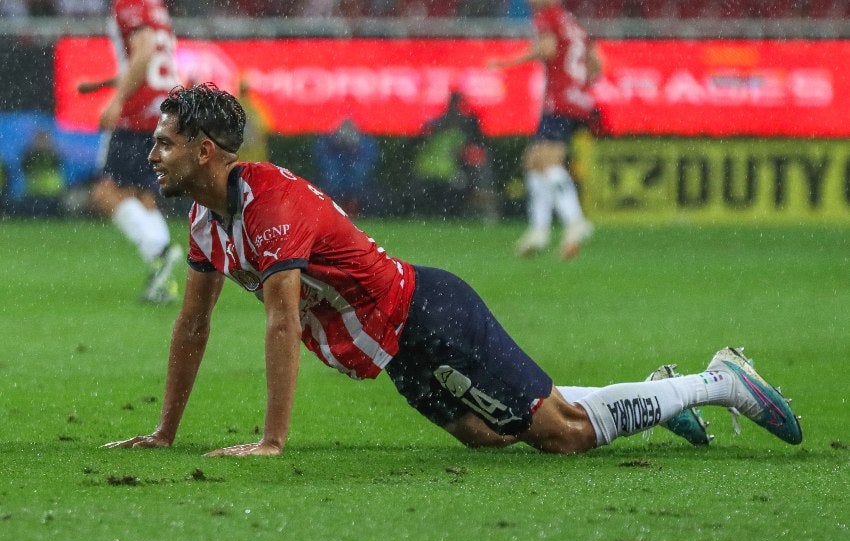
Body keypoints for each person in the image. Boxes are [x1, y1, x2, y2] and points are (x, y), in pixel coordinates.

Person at [104, 84, 802, 457]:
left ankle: (719, 381)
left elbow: (282, 319)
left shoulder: (270, 204)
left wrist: (272, 441)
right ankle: (657, 391)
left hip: (429, 316)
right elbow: (192, 324)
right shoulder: (205, 218)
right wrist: (165, 431)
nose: (152, 153)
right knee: (490, 434)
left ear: (203, 150)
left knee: (561, 435)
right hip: (398, 347)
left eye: (164, 142)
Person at [78, 0, 182, 303]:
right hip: (163, 111)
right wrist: (101, 85)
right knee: (142, 196)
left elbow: (145, 53)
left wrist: (117, 100)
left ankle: (159, 250)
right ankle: (162, 281)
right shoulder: (156, 7)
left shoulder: (130, 4)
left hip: (138, 115)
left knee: (104, 193)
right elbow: (151, 63)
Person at [491, 0, 599, 259]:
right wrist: (579, 87)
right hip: (573, 100)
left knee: (548, 162)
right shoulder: (572, 22)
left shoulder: (548, 18)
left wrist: (508, 62)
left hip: (560, 101)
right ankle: (539, 231)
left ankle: (575, 222)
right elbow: (595, 64)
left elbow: (548, 49)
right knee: (533, 162)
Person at [410, 91, 498, 220]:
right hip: (435, 171)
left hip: (450, 171)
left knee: (471, 183)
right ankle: (444, 214)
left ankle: (464, 214)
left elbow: (468, 152)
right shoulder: (438, 128)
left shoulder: (459, 129)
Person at [312, 118, 379, 218]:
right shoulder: (327, 142)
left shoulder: (364, 143)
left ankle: (348, 213)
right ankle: (336, 213)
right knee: (334, 179)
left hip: (350, 170)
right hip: (338, 170)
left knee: (353, 179)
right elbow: (321, 154)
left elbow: (369, 155)